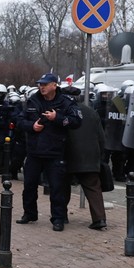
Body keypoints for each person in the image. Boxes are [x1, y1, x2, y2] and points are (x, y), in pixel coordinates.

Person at [15, 73, 82, 232]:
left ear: (54, 85)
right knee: (29, 185)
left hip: (55, 152)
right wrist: (32, 126)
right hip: (34, 151)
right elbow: (19, 121)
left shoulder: (66, 102)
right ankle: (29, 214)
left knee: (57, 188)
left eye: (45, 84)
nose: (42, 87)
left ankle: (58, 218)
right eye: (40, 84)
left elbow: (77, 121)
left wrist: (56, 117)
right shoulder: (32, 101)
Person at [61, 86, 107, 230]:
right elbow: (101, 137)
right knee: (93, 188)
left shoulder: (61, 113)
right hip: (90, 157)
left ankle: (61, 216)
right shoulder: (91, 112)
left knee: (62, 186)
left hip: (67, 155)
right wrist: (100, 156)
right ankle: (99, 219)